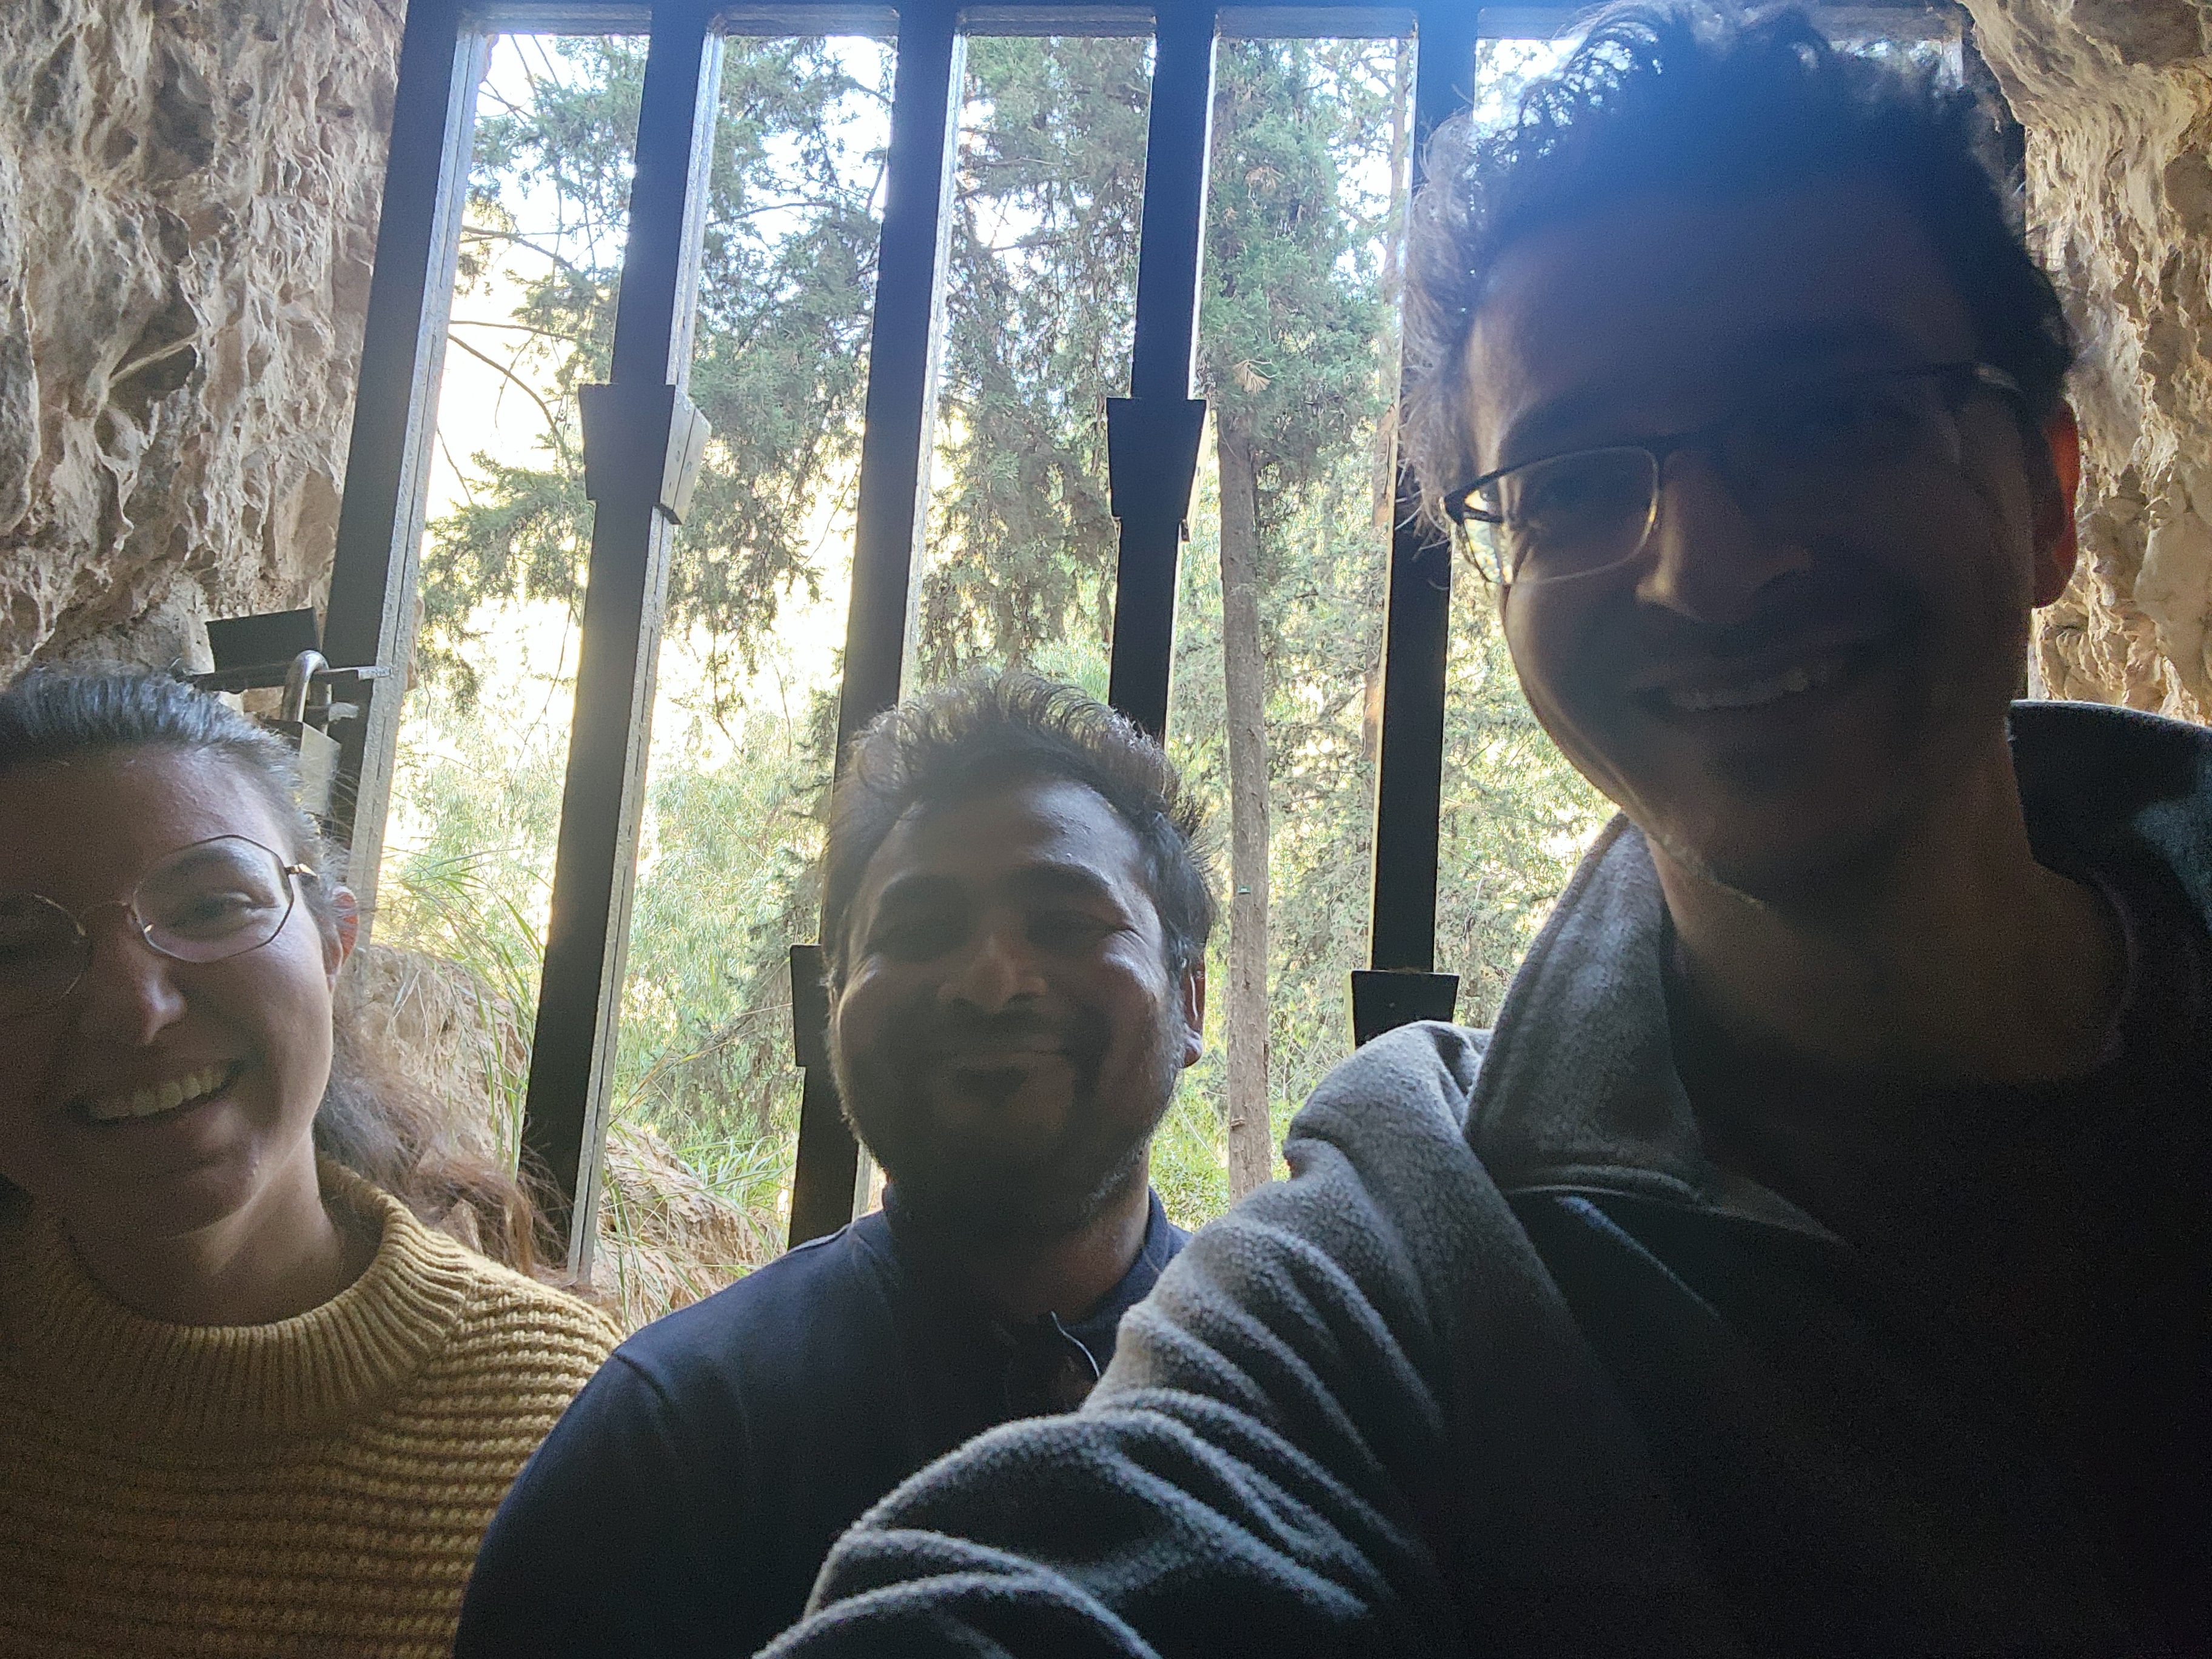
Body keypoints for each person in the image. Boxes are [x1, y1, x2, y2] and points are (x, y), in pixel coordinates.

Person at [761, 11, 2211, 1657]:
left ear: (2051, 491)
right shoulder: (1416, 1254)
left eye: (1830, 417)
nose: (1708, 568)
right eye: (1577, 482)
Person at [454, 671, 1213, 1657]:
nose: (991, 981)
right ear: (833, 1004)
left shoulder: (1307, 1410)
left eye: (1067, 924)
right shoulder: (669, 1441)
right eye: (919, 931)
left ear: (1191, 1002)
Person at [0, 668, 620, 1659]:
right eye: (19, 949)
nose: (134, 1009)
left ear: (335, 944)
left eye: (210, 907)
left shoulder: (568, 1426)